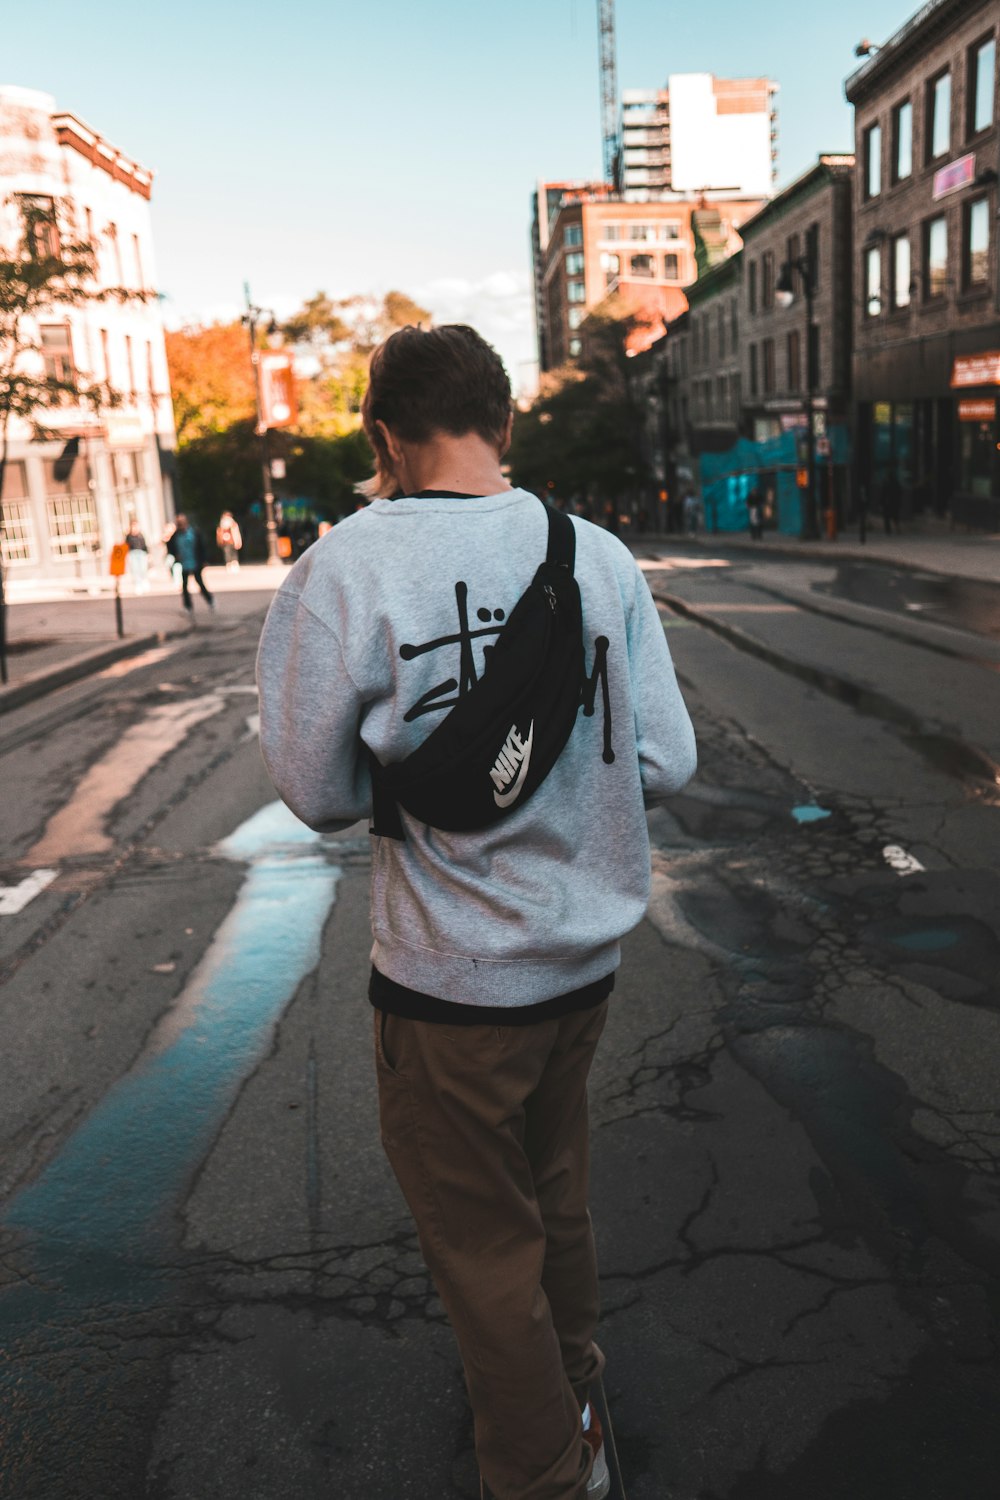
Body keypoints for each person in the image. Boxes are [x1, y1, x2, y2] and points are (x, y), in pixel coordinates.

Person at [256, 324, 697, 1500]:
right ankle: (572, 1384)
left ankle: (547, 1469)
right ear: (504, 423)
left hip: (449, 984)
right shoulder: (596, 557)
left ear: (384, 438)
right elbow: (666, 757)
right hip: (583, 968)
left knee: (482, 1241)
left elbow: (314, 792)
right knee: (554, 1195)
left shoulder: (343, 567)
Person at [166, 514, 214, 612]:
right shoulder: (176, 536)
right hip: (184, 564)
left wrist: (204, 560)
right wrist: (175, 554)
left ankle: (210, 600)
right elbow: (170, 546)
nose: (180, 525)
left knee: (200, 583)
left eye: (182, 522)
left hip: (195, 562)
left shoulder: (194, 533)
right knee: (184, 586)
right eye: (179, 523)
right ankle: (188, 606)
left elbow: (202, 547)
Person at [124, 519, 150, 593]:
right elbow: (126, 546)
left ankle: (144, 580)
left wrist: (148, 554)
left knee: (143, 569)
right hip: (132, 554)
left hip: (141, 553)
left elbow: (145, 545)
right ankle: (138, 585)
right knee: (135, 570)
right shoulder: (128, 536)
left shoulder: (141, 535)